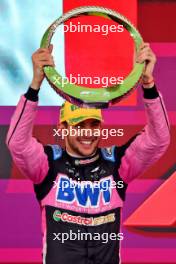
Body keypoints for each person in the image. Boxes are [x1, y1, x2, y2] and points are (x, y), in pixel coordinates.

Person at [6, 43, 170, 264]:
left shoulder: (118, 164)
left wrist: (148, 85)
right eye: (79, 125)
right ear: (63, 129)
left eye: (94, 125)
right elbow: (17, 143)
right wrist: (35, 86)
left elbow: (159, 140)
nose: (88, 133)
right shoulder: (47, 165)